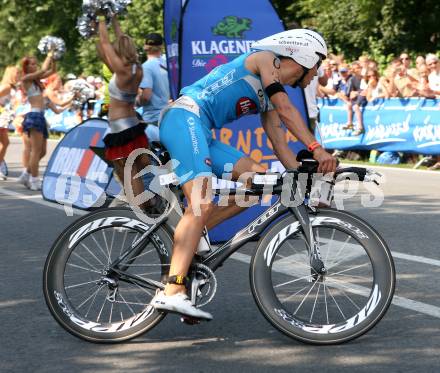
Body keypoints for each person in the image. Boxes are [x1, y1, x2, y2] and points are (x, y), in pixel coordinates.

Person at [151, 29, 337, 320]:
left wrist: (302, 183)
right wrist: (316, 148)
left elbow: (281, 146)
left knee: (262, 183)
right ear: (303, 57)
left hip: (201, 130)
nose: (316, 75)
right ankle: (173, 290)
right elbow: (287, 110)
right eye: (317, 66)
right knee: (202, 200)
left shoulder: (270, 96)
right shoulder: (265, 60)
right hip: (184, 118)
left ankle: (187, 254)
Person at [95, 15, 151, 205]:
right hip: (133, 123)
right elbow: (119, 40)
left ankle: (141, 212)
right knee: (136, 167)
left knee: (129, 172)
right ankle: (148, 204)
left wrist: (102, 19)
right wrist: (115, 18)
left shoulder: (122, 70)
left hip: (120, 127)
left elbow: (104, 43)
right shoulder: (137, 69)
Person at [20, 53, 57, 190]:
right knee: (35, 151)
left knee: (42, 152)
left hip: (40, 116)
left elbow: (52, 71)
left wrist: (54, 59)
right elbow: (42, 71)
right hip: (34, 116)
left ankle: (26, 174)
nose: (34, 66)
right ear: (26, 66)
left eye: (36, 63)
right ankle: (34, 181)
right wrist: (49, 55)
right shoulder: (26, 78)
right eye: (32, 64)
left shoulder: (36, 80)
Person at [136, 33, 170, 142]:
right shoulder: (167, 65)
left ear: (145, 47)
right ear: (161, 47)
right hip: (168, 117)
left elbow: (146, 96)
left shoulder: (146, 67)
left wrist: (136, 101)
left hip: (152, 120)